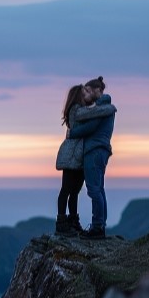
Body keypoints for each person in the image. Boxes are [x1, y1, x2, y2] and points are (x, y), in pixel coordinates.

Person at [54, 82, 117, 236]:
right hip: (71, 154)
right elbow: (91, 117)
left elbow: (92, 117)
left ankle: (74, 222)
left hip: (79, 155)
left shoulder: (82, 109)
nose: (86, 96)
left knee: (74, 191)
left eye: (87, 92)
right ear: (77, 97)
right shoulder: (77, 110)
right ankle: (62, 223)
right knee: (67, 189)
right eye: (83, 93)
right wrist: (110, 108)